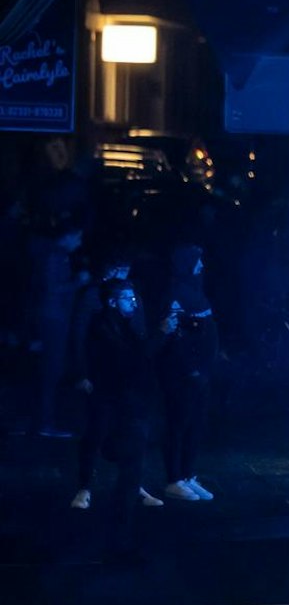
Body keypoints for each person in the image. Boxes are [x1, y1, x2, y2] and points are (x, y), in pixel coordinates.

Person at [76, 275, 163, 540]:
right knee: (97, 435)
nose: (134, 303)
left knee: (130, 441)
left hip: (127, 395)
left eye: (134, 298)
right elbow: (129, 357)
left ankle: (132, 488)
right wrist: (161, 335)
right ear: (113, 302)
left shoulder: (125, 323)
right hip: (107, 393)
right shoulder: (102, 325)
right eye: (127, 298)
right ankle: (85, 488)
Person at [157, 244, 218, 502]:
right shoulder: (176, 293)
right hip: (182, 374)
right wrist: (190, 368)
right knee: (178, 424)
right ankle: (174, 479)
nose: (201, 266)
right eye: (197, 261)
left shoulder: (194, 291)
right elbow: (177, 336)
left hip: (200, 373)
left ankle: (188, 473)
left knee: (195, 424)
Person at [25, 221, 86, 438]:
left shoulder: (54, 255)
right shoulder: (56, 256)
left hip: (53, 318)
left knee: (49, 371)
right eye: (77, 237)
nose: (79, 242)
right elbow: (53, 288)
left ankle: (41, 419)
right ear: (68, 235)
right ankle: (45, 422)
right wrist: (78, 281)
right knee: (51, 371)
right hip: (54, 319)